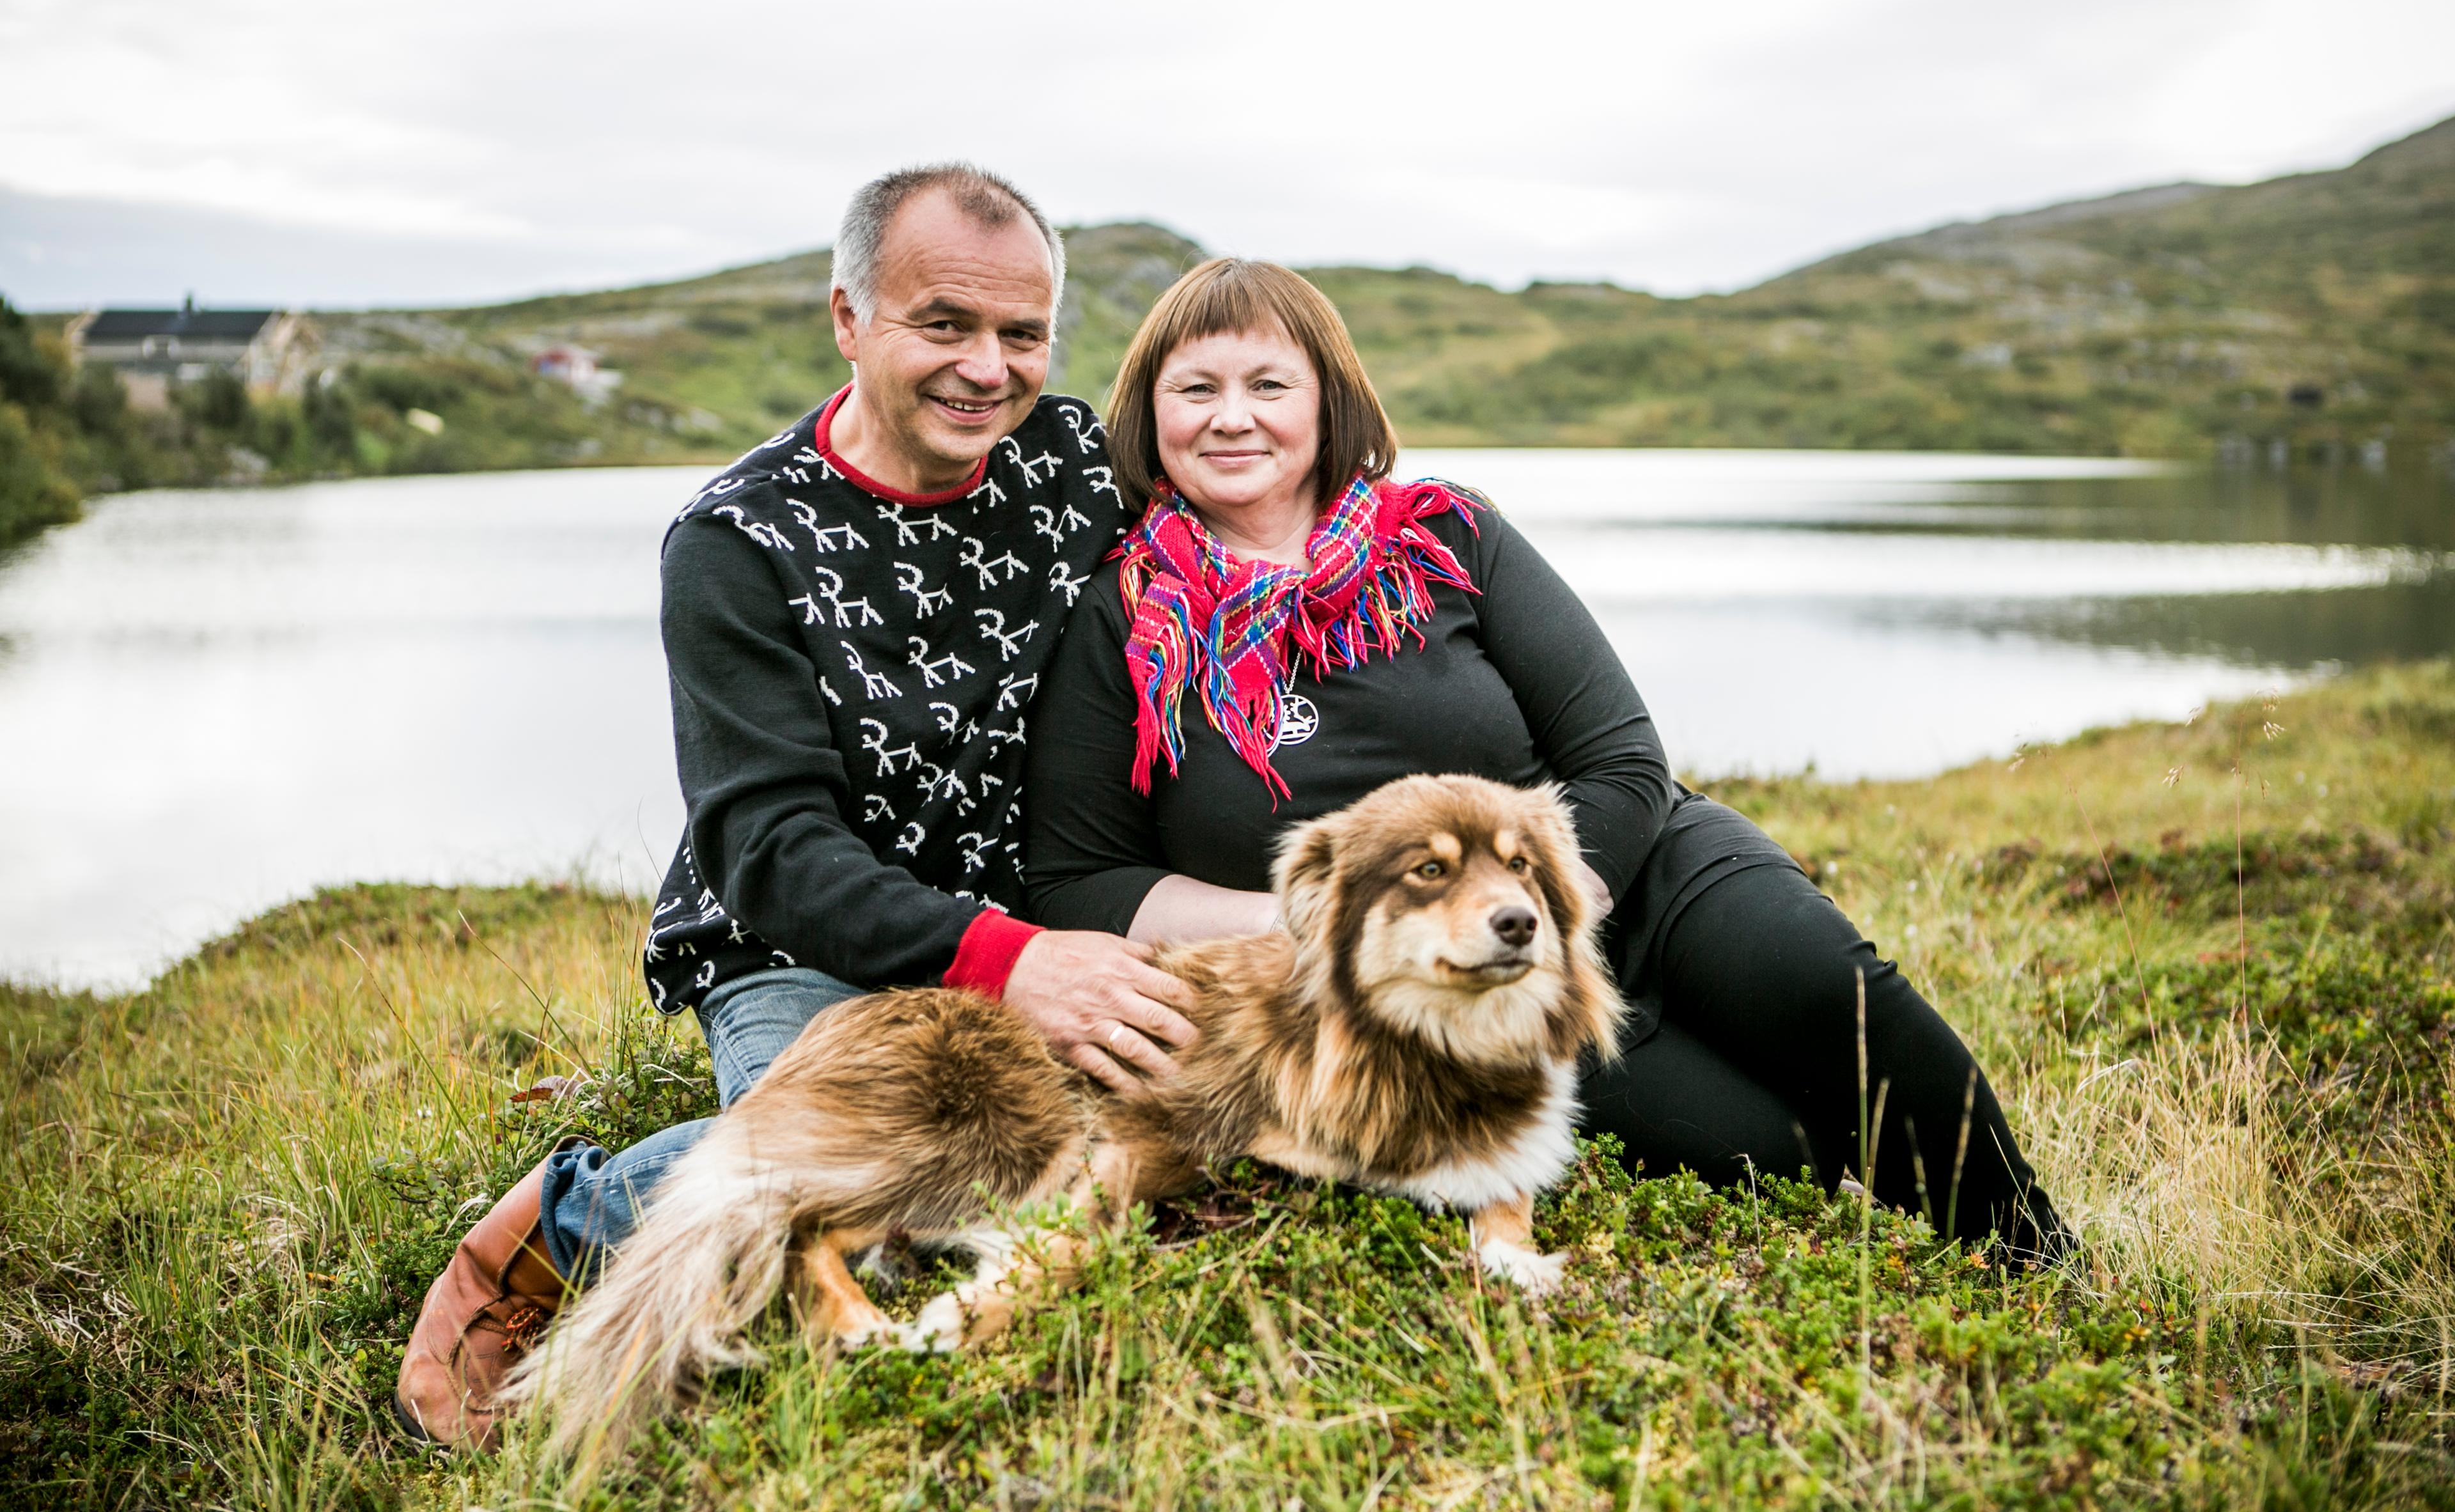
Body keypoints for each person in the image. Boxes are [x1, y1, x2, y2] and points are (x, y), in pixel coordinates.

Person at [1022, 258, 2072, 1260]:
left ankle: (2040, 1260)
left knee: (1828, 999)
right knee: (1765, 1154)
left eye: (1268, 383)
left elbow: (1621, 759)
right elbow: (1080, 880)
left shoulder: (1448, 536)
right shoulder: (1121, 617)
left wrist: (1552, 920)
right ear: (1149, 414)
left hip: (1633, 873)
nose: (1233, 415)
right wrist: (1315, 921)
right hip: (1420, 986)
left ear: (1328, 400)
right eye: (1195, 387)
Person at [396, 164, 1201, 1448]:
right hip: (800, 937)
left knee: (1116, 1139)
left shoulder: (1068, 462)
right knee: (878, 1178)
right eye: (942, 323)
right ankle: (562, 1225)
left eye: (1021, 334)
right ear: (849, 316)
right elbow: (771, 851)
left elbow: (1263, 509)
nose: (987, 367)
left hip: (1041, 903)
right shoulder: (736, 541)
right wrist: (1013, 966)